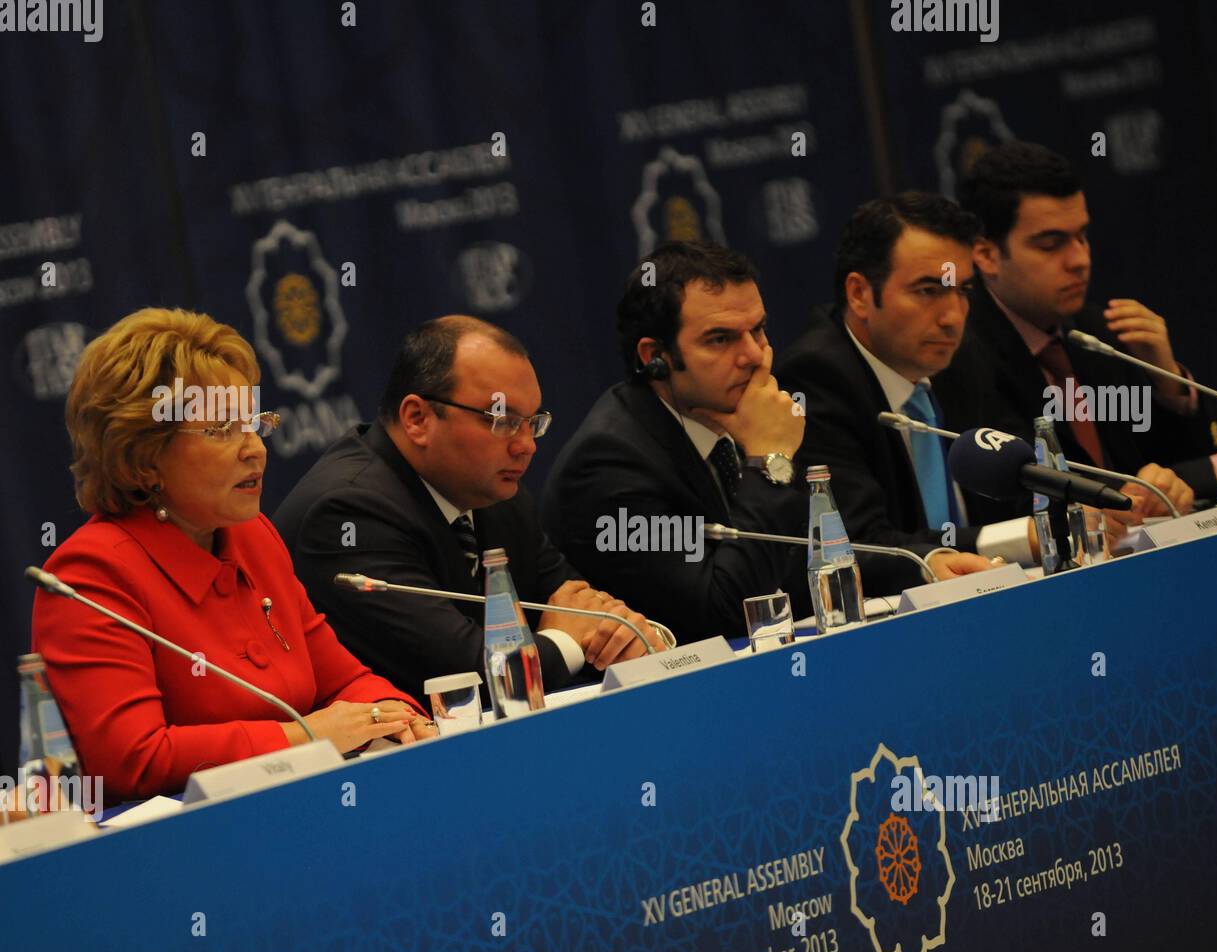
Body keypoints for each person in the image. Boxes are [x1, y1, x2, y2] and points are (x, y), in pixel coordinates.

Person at [31, 308, 434, 806]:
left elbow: (343, 679)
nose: (256, 450)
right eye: (223, 430)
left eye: (254, 423)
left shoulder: (252, 536)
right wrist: (306, 736)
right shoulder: (92, 577)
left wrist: (394, 712)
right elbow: (131, 761)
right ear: (141, 459)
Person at [275, 316, 662, 703]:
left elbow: (582, 607)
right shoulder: (348, 514)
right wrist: (565, 641)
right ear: (417, 419)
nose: (526, 445)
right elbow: (462, 676)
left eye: (532, 423)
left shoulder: (495, 496)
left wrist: (627, 635)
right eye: (503, 420)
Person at [936, 141, 1217, 517]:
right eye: (1051, 244)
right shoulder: (963, 354)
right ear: (987, 255)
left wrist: (1169, 385)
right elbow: (1053, 494)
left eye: (1082, 236)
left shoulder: (1099, 334)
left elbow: (1178, 487)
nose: (1080, 259)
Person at [543, 242, 820, 645]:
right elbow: (724, 614)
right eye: (720, 339)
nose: (755, 356)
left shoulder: (748, 415)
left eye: (757, 330)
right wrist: (771, 461)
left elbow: (810, 564)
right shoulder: (609, 464)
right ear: (656, 357)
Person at [778, 193, 1025, 592]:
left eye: (962, 290)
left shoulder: (961, 361)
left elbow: (1019, 481)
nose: (952, 317)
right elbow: (854, 539)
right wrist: (1014, 538)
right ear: (859, 293)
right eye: (928, 291)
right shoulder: (815, 378)